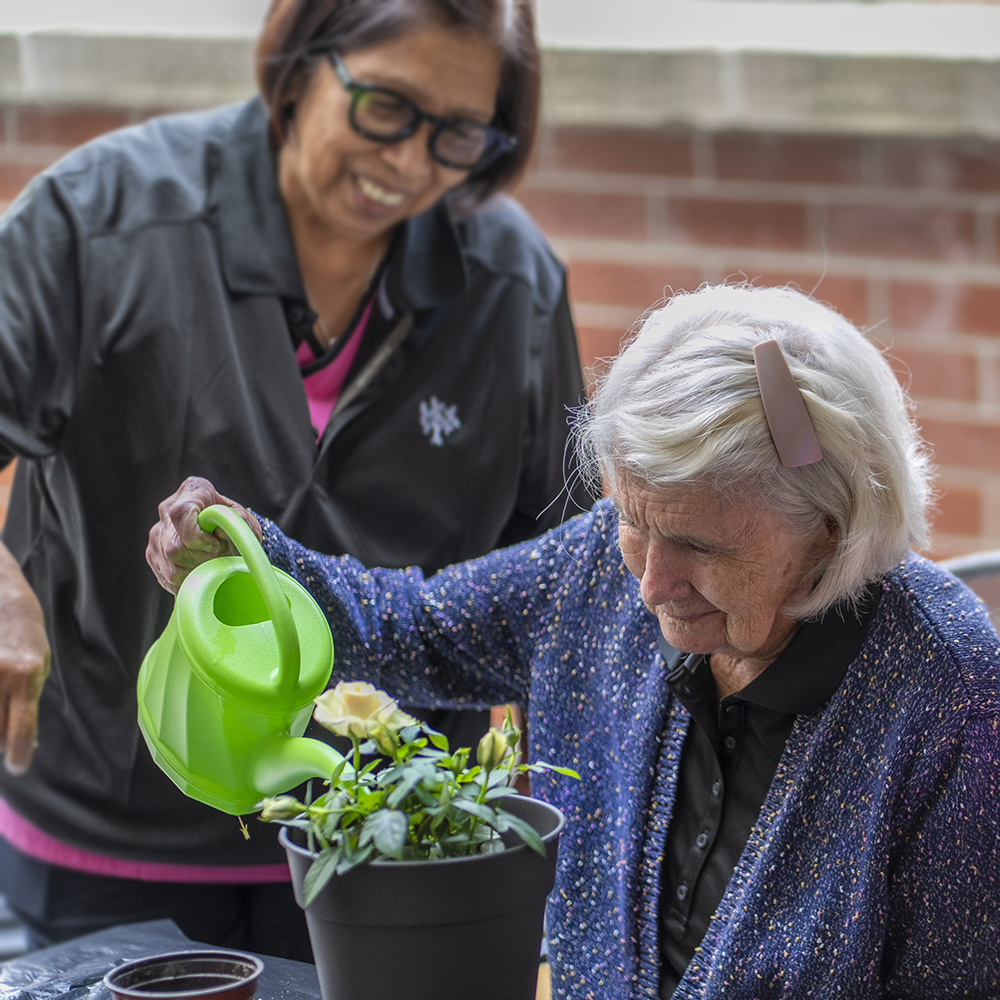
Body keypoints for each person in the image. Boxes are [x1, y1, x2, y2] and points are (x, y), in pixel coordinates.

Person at [149, 284, 1000, 998]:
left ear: (828, 527)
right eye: (635, 522)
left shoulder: (945, 683)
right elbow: (414, 632)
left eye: (702, 547)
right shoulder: (596, 562)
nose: (649, 584)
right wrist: (254, 553)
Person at [0, 0, 589, 959]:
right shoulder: (101, 220)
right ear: (302, 63)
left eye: (459, 135)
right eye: (385, 108)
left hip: (391, 843)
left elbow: (566, 577)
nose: (409, 164)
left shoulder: (511, 286)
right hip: (113, 832)